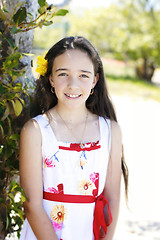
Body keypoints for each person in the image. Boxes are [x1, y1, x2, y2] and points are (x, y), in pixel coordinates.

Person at [19, 36, 128, 240]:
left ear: (95, 80)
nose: (72, 84)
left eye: (83, 75)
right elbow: (32, 205)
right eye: (63, 74)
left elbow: (112, 200)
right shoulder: (35, 130)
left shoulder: (110, 130)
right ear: (50, 78)